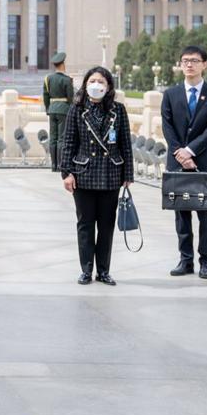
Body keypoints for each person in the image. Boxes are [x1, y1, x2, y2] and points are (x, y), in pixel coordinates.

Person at [60, 66, 133, 285]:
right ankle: (86, 270)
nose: (97, 85)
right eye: (93, 81)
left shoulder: (118, 110)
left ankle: (103, 270)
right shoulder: (76, 109)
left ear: (109, 86)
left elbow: (125, 144)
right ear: (85, 84)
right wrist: (66, 173)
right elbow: (68, 142)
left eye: (101, 82)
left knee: (107, 225)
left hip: (110, 174)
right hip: (83, 174)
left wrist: (128, 173)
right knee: (85, 224)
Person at [161, 45, 207, 279]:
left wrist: (190, 150)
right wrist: (180, 152)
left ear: (204, 64)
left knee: (206, 212)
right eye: (185, 60)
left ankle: (205, 261)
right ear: (180, 65)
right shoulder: (170, 94)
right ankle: (185, 260)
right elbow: (167, 127)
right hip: (177, 160)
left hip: (204, 159)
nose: (189, 64)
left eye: (195, 61)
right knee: (181, 211)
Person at [42, 52, 73, 172]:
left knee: (53, 137)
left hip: (52, 109)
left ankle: (53, 165)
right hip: (63, 110)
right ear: (63, 64)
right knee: (62, 138)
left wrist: (48, 108)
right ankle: (60, 165)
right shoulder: (67, 80)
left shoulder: (48, 78)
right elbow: (70, 98)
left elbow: (45, 96)